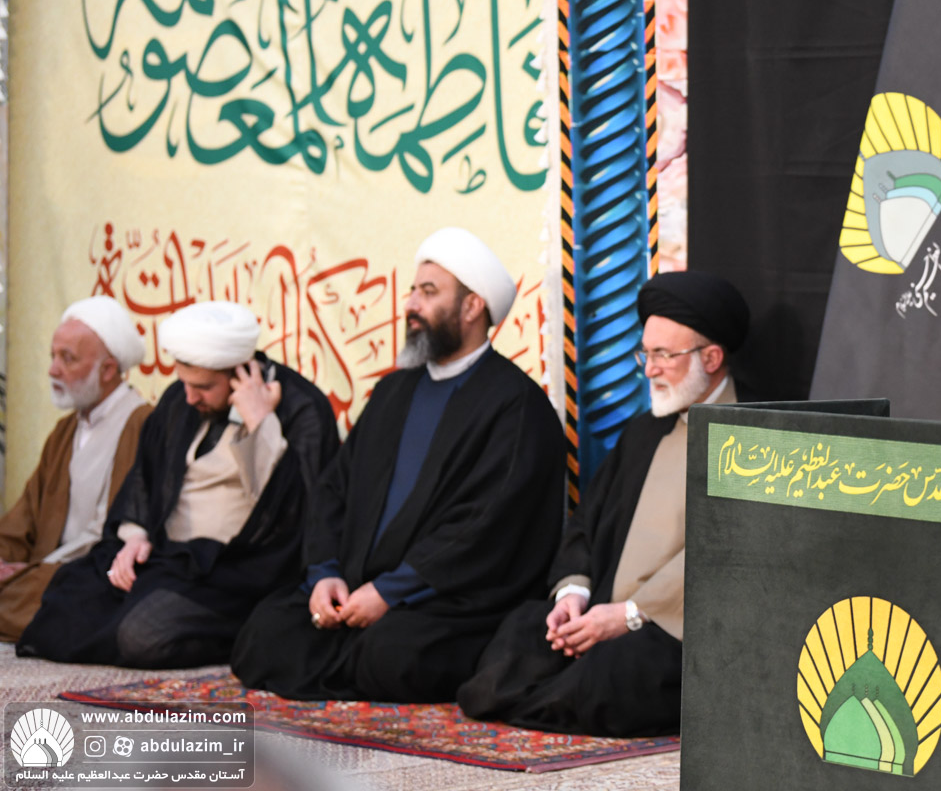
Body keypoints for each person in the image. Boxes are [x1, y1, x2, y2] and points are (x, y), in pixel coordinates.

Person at [231, 228, 567, 702]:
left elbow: (486, 527)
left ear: (472, 307)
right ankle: (349, 649)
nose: (410, 304)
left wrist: (392, 591)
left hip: (446, 599)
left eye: (428, 293)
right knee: (262, 633)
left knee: (392, 655)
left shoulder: (516, 406)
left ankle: (353, 655)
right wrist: (325, 575)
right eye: (413, 291)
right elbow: (335, 488)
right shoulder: (394, 390)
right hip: (356, 588)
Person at [458, 269, 751, 736]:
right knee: (523, 631)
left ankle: (544, 700)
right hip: (601, 613)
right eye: (646, 354)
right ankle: (546, 699)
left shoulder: (755, 441)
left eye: (663, 355)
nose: (649, 369)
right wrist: (573, 596)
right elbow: (586, 523)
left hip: (678, 628)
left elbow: (732, 554)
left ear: (711, 358)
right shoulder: (643, 433)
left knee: (615, 674)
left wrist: (630, 615)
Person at [17, 301, 339, 666]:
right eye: (184, 383)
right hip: (164, 557)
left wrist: (260, 423)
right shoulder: (180, 399)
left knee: (142, 633)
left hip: (234, 570)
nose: (190, 397)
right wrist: (135, 537)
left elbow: (297, 513)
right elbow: (144, 478)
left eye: (203, 387)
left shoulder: (301, 408)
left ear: (239, 373)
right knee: (64, 597)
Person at [0, 297, 153, 641]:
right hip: (41, 574)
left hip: (91, 572)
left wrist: (29, 572)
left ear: (108, 370)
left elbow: (109, 532)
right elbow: (24, 518)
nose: (53, 370)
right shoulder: (65, 431)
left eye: (67, 359)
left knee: (61, 601)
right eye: (53, 356)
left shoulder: (142, 424)